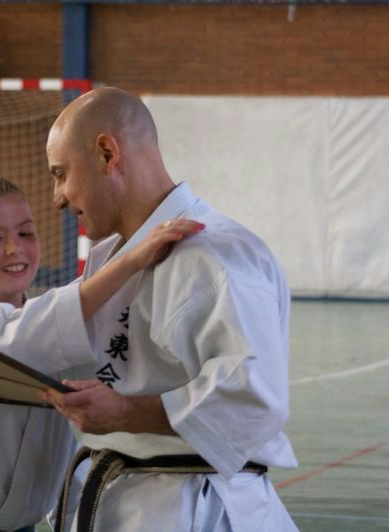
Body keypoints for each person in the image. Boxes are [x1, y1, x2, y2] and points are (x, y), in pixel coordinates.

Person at [43, 88, 299, 531]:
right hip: (133, 498)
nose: (58, 197)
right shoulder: (112, 257)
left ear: (107, 153)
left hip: (198, 508)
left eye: (61, 174)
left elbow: (254, 396)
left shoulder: (216, 255)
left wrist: (124, 413)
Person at [0, 173, 204, 532]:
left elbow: (63, 466)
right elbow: (10, 344)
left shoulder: (53, 335)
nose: (14, 248)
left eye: (26, 233)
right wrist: (130, 260)